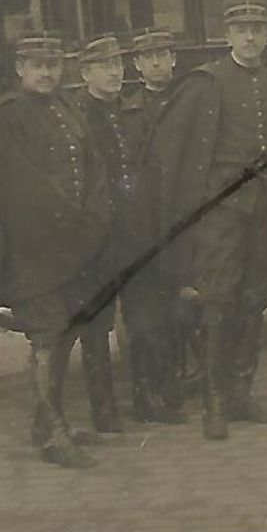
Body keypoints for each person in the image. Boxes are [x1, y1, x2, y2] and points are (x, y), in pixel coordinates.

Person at [144, 1, 267, 440]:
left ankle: (240, 393)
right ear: (226, 35)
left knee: (252, 300)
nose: (250, 37)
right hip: (221, 213)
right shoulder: (206, 83)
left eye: (258, 29)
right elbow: (175, 155)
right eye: (242, 29)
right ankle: (214, 401)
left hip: (263, 209)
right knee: (218, 302)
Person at [0, 32, 110, 468]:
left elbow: (93, 166)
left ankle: (48, 420)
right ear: (19, 69)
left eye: (52, 64)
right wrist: (72, 220)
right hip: (34, 250)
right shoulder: (5, 118)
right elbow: (21, 187)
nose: (46, 72)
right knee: (47, 335)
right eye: (37, 64)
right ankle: (52, 435)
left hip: (75, 246)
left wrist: (93, 214)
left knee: (66, 331)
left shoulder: (67, 106)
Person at [69, 34, 180, 427]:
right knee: (97, 327)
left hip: (135, 234)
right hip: (98, 239)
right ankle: (104, 410)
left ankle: (148, 399)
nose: (115, 73)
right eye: (105, 66)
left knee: (145, 318)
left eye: (118, 65)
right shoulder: (77, 118)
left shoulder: (132, 113)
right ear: (85, 74)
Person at [124, 26, 194, 418]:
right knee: (145, 315)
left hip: (183, 219)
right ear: (137, 64)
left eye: (163, 54)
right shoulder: (130, 112)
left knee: (178, 309)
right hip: (146, 226)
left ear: (173, 60)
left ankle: (174, 386)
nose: (156, 63)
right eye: (148, 57)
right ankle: (146, 394)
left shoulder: (188, 103)